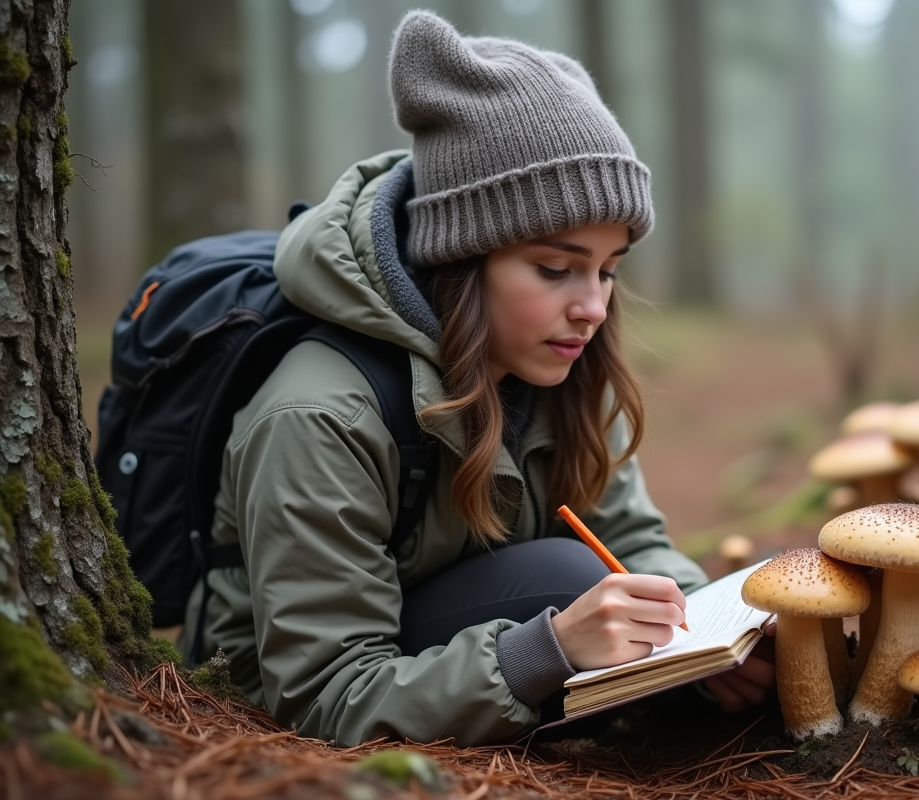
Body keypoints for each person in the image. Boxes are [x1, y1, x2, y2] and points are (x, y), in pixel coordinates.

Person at [180, 10, 775, 747]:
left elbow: (630, 540)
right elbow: (323, 694)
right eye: (555, 268)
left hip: (459, 651)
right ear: (461, 257)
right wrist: (546, 651)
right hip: (307, 700)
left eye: (608, 270)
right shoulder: (320, 414)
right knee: (569, 579)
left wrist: (704, 639)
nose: (592, 308)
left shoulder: (561, 367)